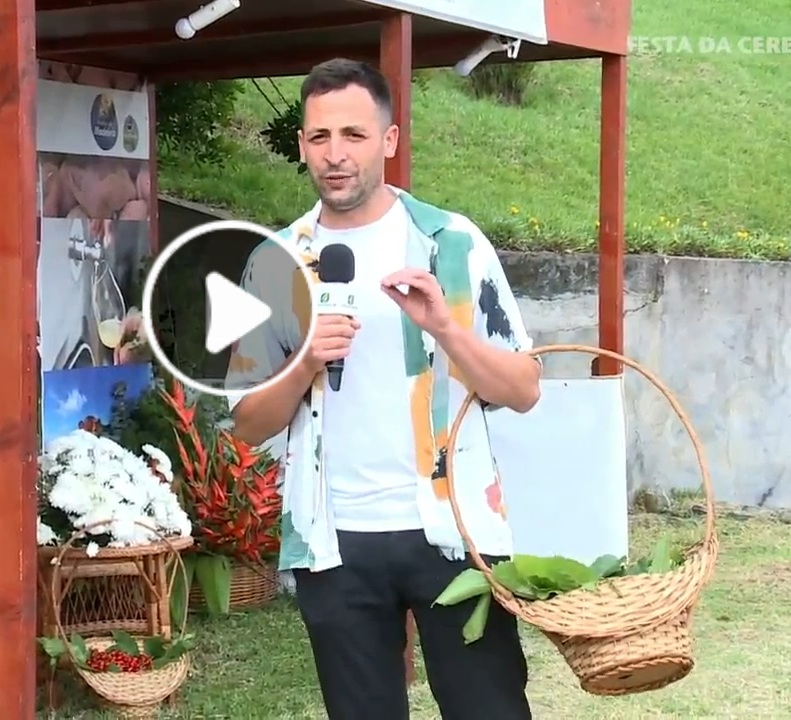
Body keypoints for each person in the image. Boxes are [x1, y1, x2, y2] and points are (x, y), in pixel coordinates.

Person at [225, 58, 542, 720]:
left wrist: (447, 330)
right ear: (301, 145)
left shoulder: (452, 243)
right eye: (319, 137)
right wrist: (305, 362)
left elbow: (523, 389)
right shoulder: (273, 261)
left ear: (390, 140)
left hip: (454, 531)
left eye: (354, 135)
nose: (335, 154)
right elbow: (248, 422)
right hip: (333, 540)